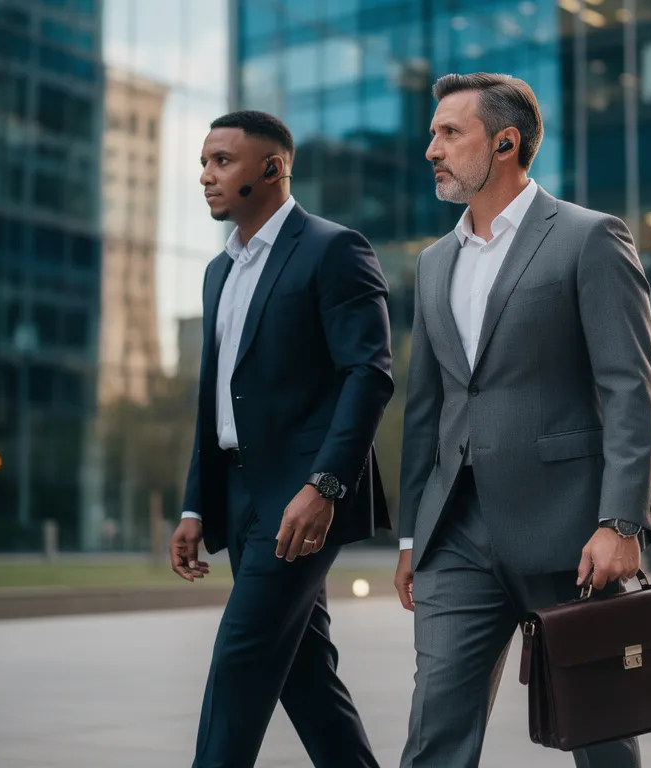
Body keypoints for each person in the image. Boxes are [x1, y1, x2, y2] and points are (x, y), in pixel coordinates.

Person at [394, 72, 651, 768]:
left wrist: (621, 521)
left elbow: (630, 387)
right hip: (456, 535)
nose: (432, 148)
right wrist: (411, 535)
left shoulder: (588, 237)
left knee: (601, 735)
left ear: (505, 142)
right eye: (432, 133)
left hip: (570, 532)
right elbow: (426, 408)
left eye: (450, 132)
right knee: (433, 734)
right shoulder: (432, 263)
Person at [171, 110, 393, 768]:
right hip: (238, 497)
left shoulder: (333, 249)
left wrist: (325, 485)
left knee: (238, 663)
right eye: (204, 162)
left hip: (301, 497)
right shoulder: (218, 272)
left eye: (222, 161)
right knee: (305, 675)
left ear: (273, 168)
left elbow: (368, 375)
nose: (206, 176)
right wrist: (195, 504)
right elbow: (216, 399)